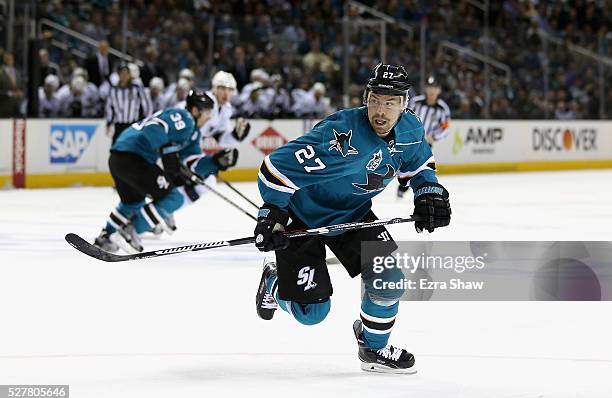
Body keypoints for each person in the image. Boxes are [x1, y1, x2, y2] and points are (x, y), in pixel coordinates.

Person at [253, 63, 451, 373]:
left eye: (390, 102)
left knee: (389, 281)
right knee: (311, 313)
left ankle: (373, 350)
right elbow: (274, 169)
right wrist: (272, 214)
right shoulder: (341, 134)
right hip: (302, 217)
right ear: (366, 98)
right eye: (375, 100)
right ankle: (273, 281)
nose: (380, 110)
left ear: (404, 104)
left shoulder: (411, 130)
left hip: (352, 214)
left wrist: (429, 192)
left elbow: (420, 164)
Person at [93, 89, 239, 253]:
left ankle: (105, 236)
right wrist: (168, 153)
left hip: (118, 158)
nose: (209, 118)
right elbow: (153, 127)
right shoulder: (185, 118)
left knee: (133, 202)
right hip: (134, 158)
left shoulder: (193, 133)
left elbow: (193, 163)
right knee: (174, 198)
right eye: (207, 113)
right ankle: (130, 230)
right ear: (195, 110)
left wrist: (215, 162)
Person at [397, 74, 450, 198]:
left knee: (420, 168)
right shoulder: (416, 102)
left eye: (435, 88)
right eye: (430, 87)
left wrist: (434, 137)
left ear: (439, 90)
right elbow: (403, 118)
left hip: (426, 144)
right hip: (408, 141)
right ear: (426, 89)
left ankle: (406, 188)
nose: (432, 91)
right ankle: (403, 186)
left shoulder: (442, 108)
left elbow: (445, 128)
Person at [105, 63, 153, 144]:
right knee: (116, 148)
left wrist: (146, 120)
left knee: (133, 147)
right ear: (118, 75)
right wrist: (109, 123)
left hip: (132, 123)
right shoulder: (113, 90)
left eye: (126, 73)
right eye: (122, 73)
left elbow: (146, 104)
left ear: (129, 75)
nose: (124, 76)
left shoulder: (136, 88)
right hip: (119, 124)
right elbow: (109, 107)